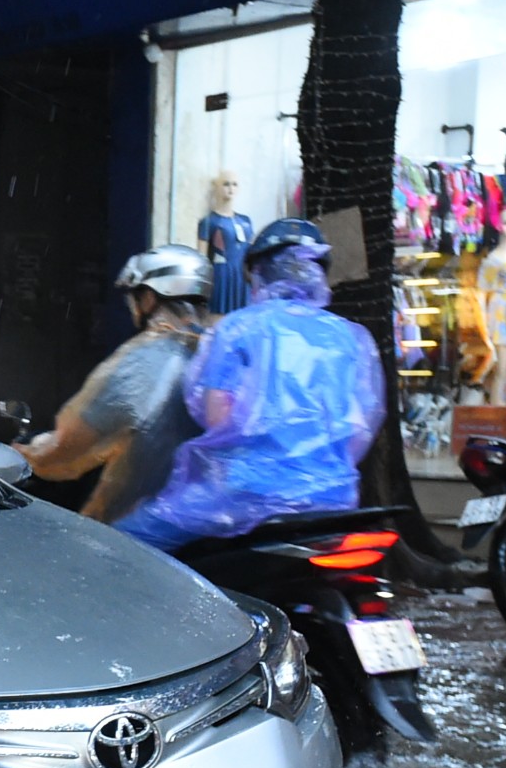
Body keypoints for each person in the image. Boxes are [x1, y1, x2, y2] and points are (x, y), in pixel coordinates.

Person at [113, 218, 385, 552]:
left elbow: (217, 414)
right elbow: (359, 429)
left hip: (241, 494)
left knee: (123, 543)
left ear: (257, 273)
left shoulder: (237, 329)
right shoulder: (351, 337)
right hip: (332, 497)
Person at [23, 245, 209, 523]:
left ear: (148, 298)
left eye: (136, 296)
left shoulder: (148, 361)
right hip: (201, 513)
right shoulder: (215, 349)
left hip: (146, 520)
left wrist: (27, 453)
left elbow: (70, 446)